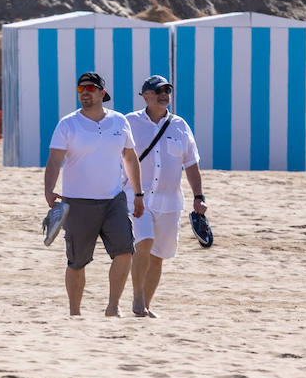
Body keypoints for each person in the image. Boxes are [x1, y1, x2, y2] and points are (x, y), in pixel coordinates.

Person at [43, 72, 144, 316]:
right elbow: (55, 161)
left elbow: (130, 157)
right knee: (77, 262)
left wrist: (138, 194)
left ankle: (113, 307)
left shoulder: (119, 121)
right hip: (77, 202)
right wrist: (48, 189)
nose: (85, 92)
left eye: (90, 88)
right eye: (81, 89)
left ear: (102, 93)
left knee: (125, 251)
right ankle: (75, 312)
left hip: (114, 199)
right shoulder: (68, 124)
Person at [124, 75, 206, 318]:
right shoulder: (129, 122)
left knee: (159, 256)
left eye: (167, 90)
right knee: (144, 242)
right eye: (158, 90)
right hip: (137, 196)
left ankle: (145, 305)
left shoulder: (180, 125)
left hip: (170, 200)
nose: (164, 94)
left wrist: (198, 196)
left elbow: (191, 164)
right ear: (145, 96)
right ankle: (137, 299)